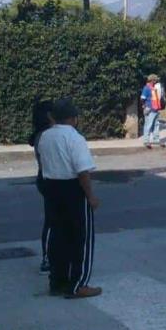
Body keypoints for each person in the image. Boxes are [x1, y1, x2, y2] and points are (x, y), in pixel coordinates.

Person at [38, 99, 102, 298]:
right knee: (81, 238)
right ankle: (78, 284)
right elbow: (82, 170)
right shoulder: (75, 138)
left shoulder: (45, 136)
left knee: (58, 236)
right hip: (72, 188)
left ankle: (57, 281)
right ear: (74, 119)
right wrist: (90, 195)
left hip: (51, 187)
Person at [29, 99, 55, 274]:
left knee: (53, 219)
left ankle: (51, 256)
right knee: (52, 220)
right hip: (50, 180)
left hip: (47, 179)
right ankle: (47, 258)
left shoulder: (43, 133)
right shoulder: (45, 135)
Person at [140, 74, 165, 149]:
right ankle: (146, 140)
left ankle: (156, 139)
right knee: (148, 125)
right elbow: (142, 98)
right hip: (150, 109)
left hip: (156, 109)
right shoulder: (146, 88)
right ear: (152, 80)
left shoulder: (154, 88)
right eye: (155, 80)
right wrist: (144, 106)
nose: (156, 81)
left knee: (156, 125)